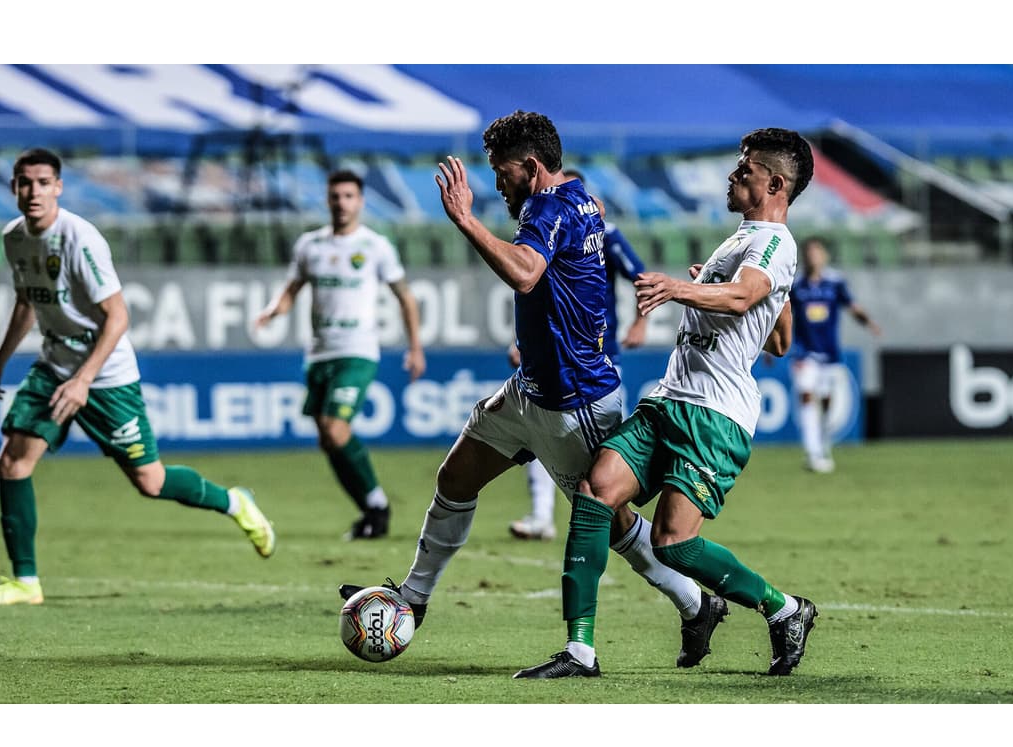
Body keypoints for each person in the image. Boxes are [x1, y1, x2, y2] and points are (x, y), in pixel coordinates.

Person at [340, 111, 712, 666]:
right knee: (456, 477)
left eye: (502, 171)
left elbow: (525, 273)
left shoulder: (546, 205)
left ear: (533, 167)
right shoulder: (579, 194)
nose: (497, 184)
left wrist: (466, 221)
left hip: (574, 400)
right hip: (530, 389)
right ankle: (413, 599)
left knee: (609, 522)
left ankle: (693, 602)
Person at [516, 127, 819, 679]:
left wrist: (685, 289)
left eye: (745, 169)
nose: (733, 175)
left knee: (674, 543)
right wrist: (760, 291)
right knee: (594, 492)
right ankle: (579, 649)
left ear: (775, 183)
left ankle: (785, 609)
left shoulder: (773, 243)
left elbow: (746, 296)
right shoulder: (741, 242)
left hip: (715, 415)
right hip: (670, 398)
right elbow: (776, 338)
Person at [0, 148, 276, 606]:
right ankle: (26, 581)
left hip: (106, 375)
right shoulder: (14, 238)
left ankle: (235, 503)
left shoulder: (79, 239)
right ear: (13, 187)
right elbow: (28, 304)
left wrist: (84, 380)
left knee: (150, 481)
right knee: (12, 463)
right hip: (53, 368)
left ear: (58, 187)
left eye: (43, 182)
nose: (33, 192)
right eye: (24, 183)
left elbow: (117, 317)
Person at [255, 169, 425, 540]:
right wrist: (273, 310)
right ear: (328, 200)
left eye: (349, 196)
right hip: (319, 354)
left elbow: (405, 296)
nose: (341, 203)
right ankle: (370, 509)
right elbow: (291, 289)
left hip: (357, 351)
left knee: (336, 428)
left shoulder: (375, 246)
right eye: (335, 196)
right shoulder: (310, 246)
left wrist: (415, 347)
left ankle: (378, 505)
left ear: (360, 201)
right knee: (327, 439)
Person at [508, 168, 648, 542]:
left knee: (603, 461)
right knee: (538, 438)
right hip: (552, 359)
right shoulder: (543, 230)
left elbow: (641, 276)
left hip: (599, 358)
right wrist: (519, 342)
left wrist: (640, 323)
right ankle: (541, 516)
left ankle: (622, 529)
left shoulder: (606, 233)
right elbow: (539, 296)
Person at [789, 236, 881, 473]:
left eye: (817, 252)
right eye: (809, 253)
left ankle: (823, 444)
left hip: (830, 353)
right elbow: (782, 316)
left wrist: (869, 323)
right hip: (804, 352)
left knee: (827, 403)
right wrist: (770, 344)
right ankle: (812, 452)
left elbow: (853, 307)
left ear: (824, 256)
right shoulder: (796, 286)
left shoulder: (835, 283)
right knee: (807, 396)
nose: (813, 257)